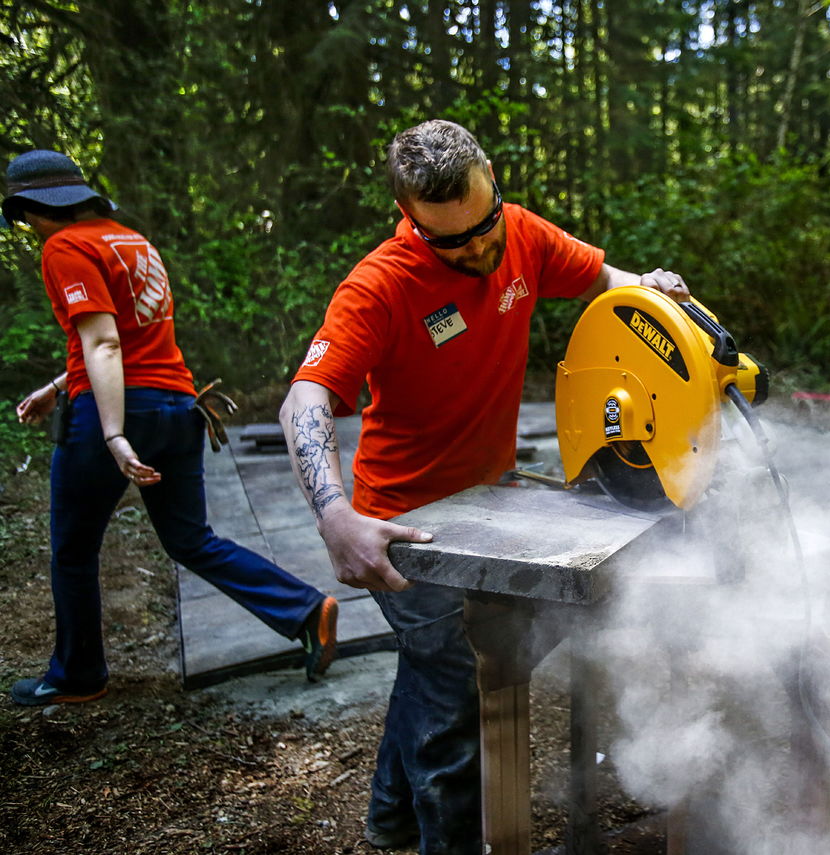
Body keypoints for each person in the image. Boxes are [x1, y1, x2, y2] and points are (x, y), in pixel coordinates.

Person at [277, 119, 689, 853]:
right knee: (456, 695)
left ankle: (388, 814)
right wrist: (332, 515)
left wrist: (649, 291)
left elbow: (604, 280)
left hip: (491, 499)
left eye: (482, 224)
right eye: (449, 241)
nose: (475, 247)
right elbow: (304, 398)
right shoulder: (380, 285)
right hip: (402, 521)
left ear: (492, 181)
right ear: (410, 218)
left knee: (452, 661)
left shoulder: (522, 233)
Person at [4, 149, 338, 707]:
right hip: (178, 407)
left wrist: (112, 434)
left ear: (33, 209)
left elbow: (107, 343)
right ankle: (305, 609)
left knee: (74, 549)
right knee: (190, 538)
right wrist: (58, 386)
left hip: (117, 412)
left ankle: (78, 674)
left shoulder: (64, 247)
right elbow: (133, 339)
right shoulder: (132, 241)